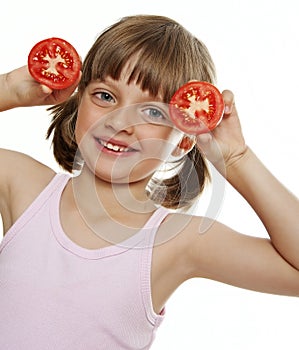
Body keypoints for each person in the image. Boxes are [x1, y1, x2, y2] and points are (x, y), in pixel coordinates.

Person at [0, 14, 298, 350]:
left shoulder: (179, 242)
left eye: (153, 112)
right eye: (105, 96)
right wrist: (9, 89)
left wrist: (237, 160)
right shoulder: (23, 185)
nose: (120, 122)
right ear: (77, 98)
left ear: (185, 139)